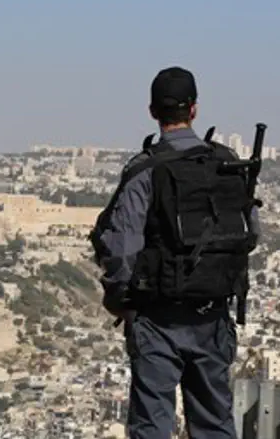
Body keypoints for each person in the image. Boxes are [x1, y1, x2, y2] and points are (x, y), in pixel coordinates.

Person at [91, 66, 260, 439]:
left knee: (152, 426)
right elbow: (251, 232)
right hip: (212, 317)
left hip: (156, 319)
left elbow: (121, 251)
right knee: (214, 424)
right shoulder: (226, 163)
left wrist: (122, 302)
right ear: (194, 110)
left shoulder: (144, 171)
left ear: (153, 112)